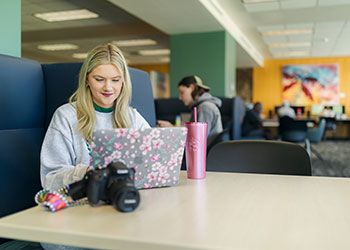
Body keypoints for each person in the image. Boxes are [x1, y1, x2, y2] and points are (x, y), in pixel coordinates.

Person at [40, 43, 150, 192]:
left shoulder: (132, 116)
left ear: (123, 81)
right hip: (82, 204)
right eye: (99, 79)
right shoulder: (66, 116)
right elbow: (50, 179)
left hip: (122, 197)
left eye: (115, 80)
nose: (108, 87)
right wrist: (87, 173)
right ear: (86, 79)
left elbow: (151, 163)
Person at [157, 75, 223, 143]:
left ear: (192, 88)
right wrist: (172, 127)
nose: (180, 97)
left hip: (207, 152)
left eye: (182, 92)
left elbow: (197, 139)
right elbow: (193, 132)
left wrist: (172, 129)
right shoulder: (200, 107)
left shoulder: (205, 108)